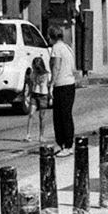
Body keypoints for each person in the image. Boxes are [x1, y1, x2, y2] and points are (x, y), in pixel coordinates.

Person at [45, 23, 78, 151]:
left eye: (48, 37)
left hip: (61, 85)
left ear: (52, 37)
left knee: (59, 117)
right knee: (67, 115)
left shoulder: (56, 48)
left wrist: (51, 84)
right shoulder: (67, 48)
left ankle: (65, 144)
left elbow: (56, 66)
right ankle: (68, 144)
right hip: (70, 83)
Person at [22, 55, 52, 144]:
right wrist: (28, 93)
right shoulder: (33, 74)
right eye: (35, 68)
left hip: (44, 95)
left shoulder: (47, 75)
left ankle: (41, 136)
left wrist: (50, 97)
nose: (36, 70)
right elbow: (31, 83)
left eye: (38, 68)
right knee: (31, 114)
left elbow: (49, 86)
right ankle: (28, 135)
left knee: (42, 117)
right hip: (35, 95)